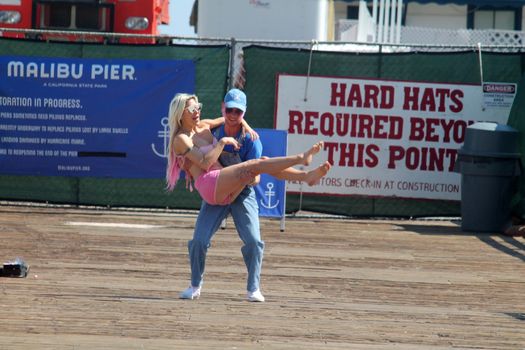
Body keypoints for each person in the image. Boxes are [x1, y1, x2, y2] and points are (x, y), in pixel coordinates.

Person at [166, 90, 330, 302]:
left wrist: (246, 133)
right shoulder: (206, 132)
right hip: (214, 188)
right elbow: (206, 162)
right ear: (224, 108)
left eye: (239, 112)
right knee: (199, 240)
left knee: (253, 239)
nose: (233, 115)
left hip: (241, 191)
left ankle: (253, 288)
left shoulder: (249, 139)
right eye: (230, 110)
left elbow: (257, 179)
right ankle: (195, 285)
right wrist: (223, 144)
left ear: (244, 113)